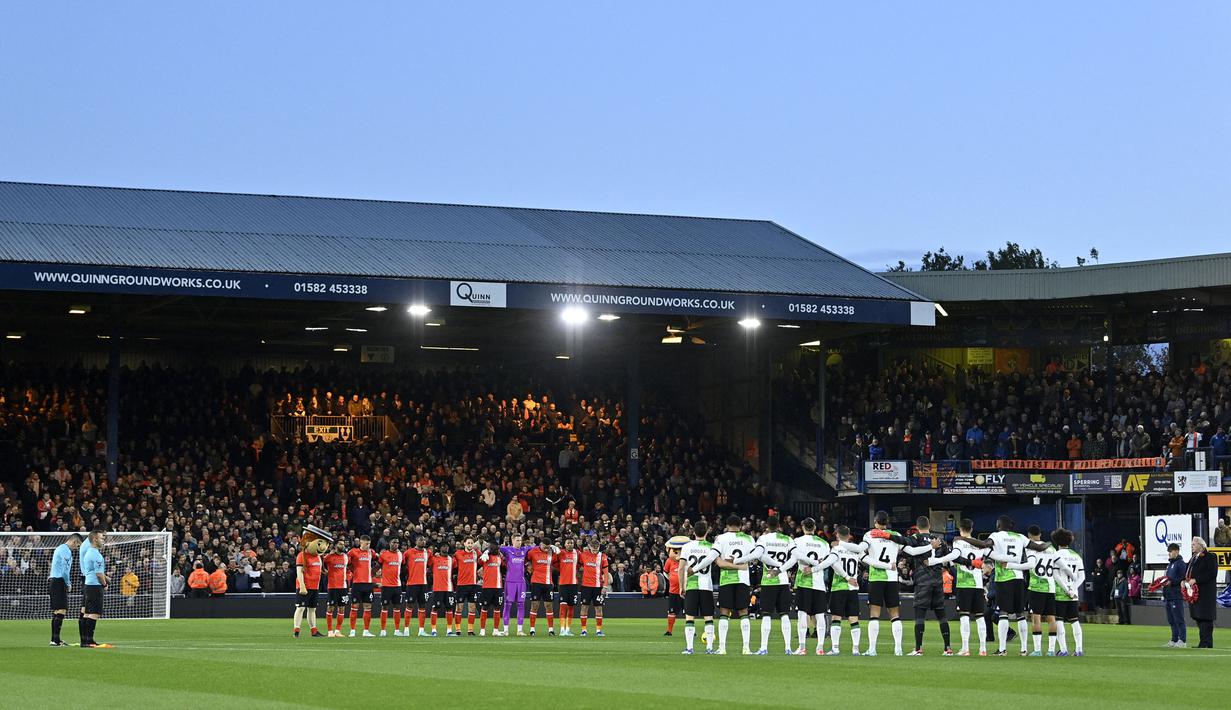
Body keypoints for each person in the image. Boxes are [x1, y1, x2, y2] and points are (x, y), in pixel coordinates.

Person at [840, 510, 905, 656]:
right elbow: (907, 548)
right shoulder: (896, 536)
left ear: (875, 522)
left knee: (874, 614)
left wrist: (842, 544)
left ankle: (872, 649)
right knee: (894, 614)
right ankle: (898, 649)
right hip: (892, 577)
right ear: (887, 522)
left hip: (876, 578)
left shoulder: (870, 535)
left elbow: (858, 549)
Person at [900, 516, 953, 656]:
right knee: (942, 615)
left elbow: (908, 555)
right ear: (929, 525)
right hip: (937, 581)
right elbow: (949, 558)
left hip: (922, 582)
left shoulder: (915, 538)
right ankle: (948, 648)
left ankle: (918, 649)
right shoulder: (939, 540)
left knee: (919, 616)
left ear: (917, 527)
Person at [788, 517, 837, 655]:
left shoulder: (797, 541)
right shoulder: (823, 543)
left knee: (802, 614)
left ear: (803, 527)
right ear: (815, 528)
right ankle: (820, 647)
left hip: (803, 582)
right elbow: (826, 561)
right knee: (820, 615)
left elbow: (794, 558)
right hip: (819, 583)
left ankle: (802, 647)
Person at [713, 514, 757, 655]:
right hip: (743, 580)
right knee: (744, 612)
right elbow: (755, 557)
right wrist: (740, 565)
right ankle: (746, 648)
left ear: (727, 525)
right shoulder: (748, 538)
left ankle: (722, 648)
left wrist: (728, 564)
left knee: (724, 613)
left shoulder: (721, 538)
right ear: (740, 526)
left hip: (726, 580)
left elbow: (717, 561)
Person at [753, 515, 795, 655]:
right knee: (784, 614)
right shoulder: (787, 539)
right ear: (779, 526)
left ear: (767, 526)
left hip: (768, 580)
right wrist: (781, 569)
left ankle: (764, 647)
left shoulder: (763, 539)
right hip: (783, 580)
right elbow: (795, 558)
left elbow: (758, 555)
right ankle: (788, 648)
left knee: (766, 614)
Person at [678, 520, 719, 654]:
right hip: (706, 586)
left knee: (690, 617)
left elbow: (681, 568)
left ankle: (689, 648)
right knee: (708, 617)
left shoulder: (687, 546)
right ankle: (709, 648)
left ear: (693, 532)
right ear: (707, 532)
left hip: (691, 585)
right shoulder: (711, 547)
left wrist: (681, 586)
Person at [951, 520, 991, 656]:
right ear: (972, 529)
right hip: (978, 584)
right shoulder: (979, 545)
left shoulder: (958, 542)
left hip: (964, 584)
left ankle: (965, 648)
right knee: (980, 617)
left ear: (960, 529)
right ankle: (983, 649)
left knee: (964, 616)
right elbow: (987, 557)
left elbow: (955, 558)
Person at [826, 525, 863, 656]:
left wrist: (846, 578)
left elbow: (834, 564)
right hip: (853, 587)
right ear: (849, 536)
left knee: (836, 617)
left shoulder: (836, 549)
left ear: (837, 535)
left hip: (839, 586)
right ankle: (856, 649)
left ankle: (835, 648)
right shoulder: (855, 550)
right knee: (854, 618)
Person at [1051, 528, 1085, 656]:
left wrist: (1066, 589)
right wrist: (1073, 589)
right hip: (1074, 594)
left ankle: (1063, 650)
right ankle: (1079, 649)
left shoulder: (1056, 555)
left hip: (1060, 593)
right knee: (1075, 621)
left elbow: (1056, 575)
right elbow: (1082, 577)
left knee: (1059, 621)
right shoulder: (1077, 556)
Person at [47, 532, 81, 646]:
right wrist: (68, 583)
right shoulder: (65, 550)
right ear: (74, 541)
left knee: (57, 611)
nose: (77, 548)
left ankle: (55, 639)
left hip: (54, 581)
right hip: (58, 581)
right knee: (61, 610)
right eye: (78, 545)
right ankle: (55, 640)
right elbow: (64, 570)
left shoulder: (60, 548)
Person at [79, 529, 108, 648]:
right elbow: (99, 574)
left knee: (87, 613)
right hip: (95, 586)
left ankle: (85, 641)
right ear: (95, 539)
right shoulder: (96, 554)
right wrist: (105, 584)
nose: (103, 540)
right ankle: (89, 641)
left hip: (87, 585)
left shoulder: (88, 553)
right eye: (102, 538)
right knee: (94, 613)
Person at [499, 535, 532, 636]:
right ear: (512, 540)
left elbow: (538, 547)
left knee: (521, 605)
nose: (519, 542)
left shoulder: (524, 550)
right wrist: (487, 551)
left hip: (521, 582)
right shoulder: (507, 549)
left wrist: (551, 546)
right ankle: (505, 630)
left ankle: (520, 630)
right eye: (517, 540)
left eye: (520, 540)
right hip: (510, 582)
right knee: (507, 605)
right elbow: (495, 547)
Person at [1188, 536, 1217, 648]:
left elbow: (1212, 573)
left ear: (1201, 545)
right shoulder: (1193, 558)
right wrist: (1184, 580)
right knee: (1199, 617)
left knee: (1206, 618)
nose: (1192, 547)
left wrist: (1196, 579)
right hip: (1197, 594)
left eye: (1193, 545)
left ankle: (1207, 643)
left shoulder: (1210, 556)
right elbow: (1188, 571)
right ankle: (1202, 642)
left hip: (1206, 594)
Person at [577, 537, 610, 636]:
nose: (595, 551)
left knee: (598, 608)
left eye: (597, 549)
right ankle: (583, 630)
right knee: (584, 607)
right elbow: (577, 567)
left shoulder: (603, 556)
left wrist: (605, 586)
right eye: (593, 549)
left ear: (599, 547)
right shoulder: (583, 555)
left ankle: (598, 630)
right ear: (589, 547)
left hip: (598, 586)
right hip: (586, 586)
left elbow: (606, 572)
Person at [525, 537, 556, 636]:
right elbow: (525, 560)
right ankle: (532, 629)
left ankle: (551, 630)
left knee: (549, 606)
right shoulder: (532, 552)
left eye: (548, 547)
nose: (546, 549)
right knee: (535, 605)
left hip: (548, 583)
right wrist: (529, 568)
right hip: (536, 582)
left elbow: (558, 562)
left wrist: (557, 550)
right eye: (544, 546)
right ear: (540, 544)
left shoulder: (552, 552)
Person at [346, 535, 376, 637]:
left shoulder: (371, 552)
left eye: (369, 544)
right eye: (366, 543)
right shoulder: (353, 552)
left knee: (368, 607)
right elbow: (346, 561)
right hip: (357, 583)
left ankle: (366, 631)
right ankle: (352, 630)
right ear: (361, 542)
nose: (368, 545)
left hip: (368, 584)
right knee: (354, 607)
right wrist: (352, 569)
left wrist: (374, 572)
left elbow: (379, 561)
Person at [293, 542, 324, 638]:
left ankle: (314, 631)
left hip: (315, 587)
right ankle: (296, 630)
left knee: (312, 609)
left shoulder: (318, 556)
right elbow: (299, 571)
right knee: (301, 608)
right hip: (305, 586)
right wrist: (302, 585)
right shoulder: (302, 556)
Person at [402, 536, 431, 637]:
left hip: (423, 584)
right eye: (420, 540)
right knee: (409, 606)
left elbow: (431, 564)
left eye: (424, 540)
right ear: (416, 541)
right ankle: (406, 629)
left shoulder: (428, 553)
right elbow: (402, 563)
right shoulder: (409, 552)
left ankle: (421, 630)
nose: (423, 541)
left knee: (422, 606)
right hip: (412, 583)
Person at [1160, 542, 1187, 648]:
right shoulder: (1170, 564)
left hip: (1176, 595)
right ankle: (1174, 639)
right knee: (1171, 619)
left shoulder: (1180, 563)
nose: (1169, 554)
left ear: (1176, 551)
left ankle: (1182, 640)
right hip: (1169, 595)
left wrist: (1172, 582)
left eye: (1170, 552)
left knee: (1179, 619)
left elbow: (1183, 578)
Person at [428, 541, 458, 637]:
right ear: (440, 548)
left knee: (449, 608)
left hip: (449, 588)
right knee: (435, 608)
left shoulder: (451, 559)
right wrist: (432, 553)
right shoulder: (434, 558)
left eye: (447, 546)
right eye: (444, 546)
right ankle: (433, 630)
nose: (446, 548)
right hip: (437, 588)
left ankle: (449, 630)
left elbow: (456, 569)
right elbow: (427, 562)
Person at [453, 537, 481, 636]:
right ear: (464, 543)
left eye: (471, 543)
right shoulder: (458, 554)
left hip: (473, 585)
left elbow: (483, 560)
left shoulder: (476, 553)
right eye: (468, 543)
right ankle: (458, 629)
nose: (470, 545)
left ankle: (470, 630)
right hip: (461, 585)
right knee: (459, 608)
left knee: (472, 608)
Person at [377, 538, 403, 637]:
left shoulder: (400, 554)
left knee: (397, 607)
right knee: (384, 607)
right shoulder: (384, 554)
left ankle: (397, 630)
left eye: (397, 542)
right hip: (386, 586)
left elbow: (404, 565)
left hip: (397, 585)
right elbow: (378, 565)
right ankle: (383, 630)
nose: (396, 544)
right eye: (394, 542)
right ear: (389, 543)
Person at [477, 542, 505, 636]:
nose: (496, 550)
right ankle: (482, 630)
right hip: (487, 587)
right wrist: (485, 553)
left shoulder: (499, 558)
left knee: (497, 608)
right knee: (484, 608)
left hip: (498, 587)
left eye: (497, 548)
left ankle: (495, 630)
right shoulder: (485, 558)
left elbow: (505, 565)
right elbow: (479, 562)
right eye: (494, 548)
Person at [555, 537, 581, 636]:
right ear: (564, 544)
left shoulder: (577, 553)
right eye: (568, 543)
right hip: (563, 584)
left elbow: (580, 564)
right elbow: (554, 563)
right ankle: (562, 629)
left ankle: (568, 629)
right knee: (563, 606)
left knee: (571, 607)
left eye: (571, 543)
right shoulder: (560, 553)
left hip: (574, 584)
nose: (570, 544)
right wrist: (562, 569)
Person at [322, 541, 349, 637]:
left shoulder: (345, 557)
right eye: (340, 544)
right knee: (330, 608)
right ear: (336, 545)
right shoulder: (329, 557)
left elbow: (348, 569)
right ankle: (330, 631)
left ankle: (337, 631)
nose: (342, 545)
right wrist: (324, 571)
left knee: (342, 609)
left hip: (343, 587)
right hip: (332, 586)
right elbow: (321, 563)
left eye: (343, 544)